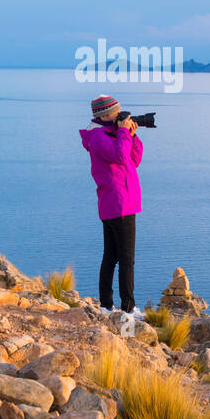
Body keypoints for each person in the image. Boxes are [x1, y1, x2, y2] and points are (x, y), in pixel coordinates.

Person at [79, 94, 144, 317]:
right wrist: (124, 133)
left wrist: (132, 135)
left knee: (112, 256)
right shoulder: (98, 136)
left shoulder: (110, 133)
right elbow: (119, 155)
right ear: (105, 114)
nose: (121, 116)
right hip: (119, 203)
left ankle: (106, 306)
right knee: (126, 258)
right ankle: (128, 309)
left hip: (120, 201)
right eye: (117, 113)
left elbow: (133, 160)